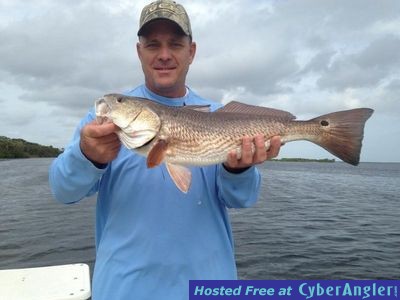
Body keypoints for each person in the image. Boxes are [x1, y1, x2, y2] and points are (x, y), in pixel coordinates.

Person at [49, 0, 281, 299]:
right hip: (124, 289)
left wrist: (238, 169)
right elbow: (62, 191)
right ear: (139, 52)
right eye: (152, 44)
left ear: (191, 52)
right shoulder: (102, 124)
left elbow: (243, 199)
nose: (164, 55)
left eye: (175, 44)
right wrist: (87, 156)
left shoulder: (217, 116)